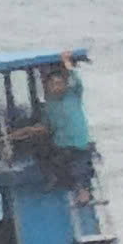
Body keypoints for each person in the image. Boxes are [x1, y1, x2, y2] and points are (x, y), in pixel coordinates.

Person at [40, 55, 95, 191]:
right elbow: (47, 126)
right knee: (45, 155)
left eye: (59, 83)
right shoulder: (49, 105)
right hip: (61, 146)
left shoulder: (73, 95)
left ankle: (83, 192)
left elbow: (76, 81)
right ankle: (54, 180)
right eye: (52, 84)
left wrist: (67, 63)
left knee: (81, 172)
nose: (56, 87)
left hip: (78, 145)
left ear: (65, 84)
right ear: (47, 86)